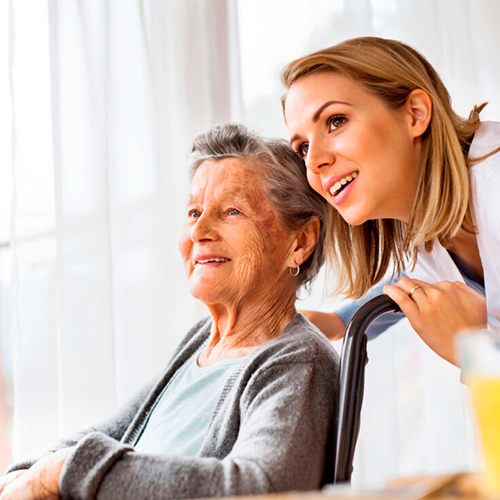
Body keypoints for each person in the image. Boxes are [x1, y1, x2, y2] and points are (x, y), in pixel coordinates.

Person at [0, 124, 339, 500]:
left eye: (231, 211)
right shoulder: (201, 343)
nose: (199, 231)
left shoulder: (297, 361)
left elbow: (262, 487)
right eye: (194, 212)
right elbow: (106, 434)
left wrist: (62, 473)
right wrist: (27, 473)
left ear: (301, 241)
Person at [281, 37, 499, 366]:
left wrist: (477, 353)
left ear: (415, 114)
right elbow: (412, 277)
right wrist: (342, 321)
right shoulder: (432, 226)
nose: (314, 162)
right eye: (303, 148)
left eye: (336, 121)